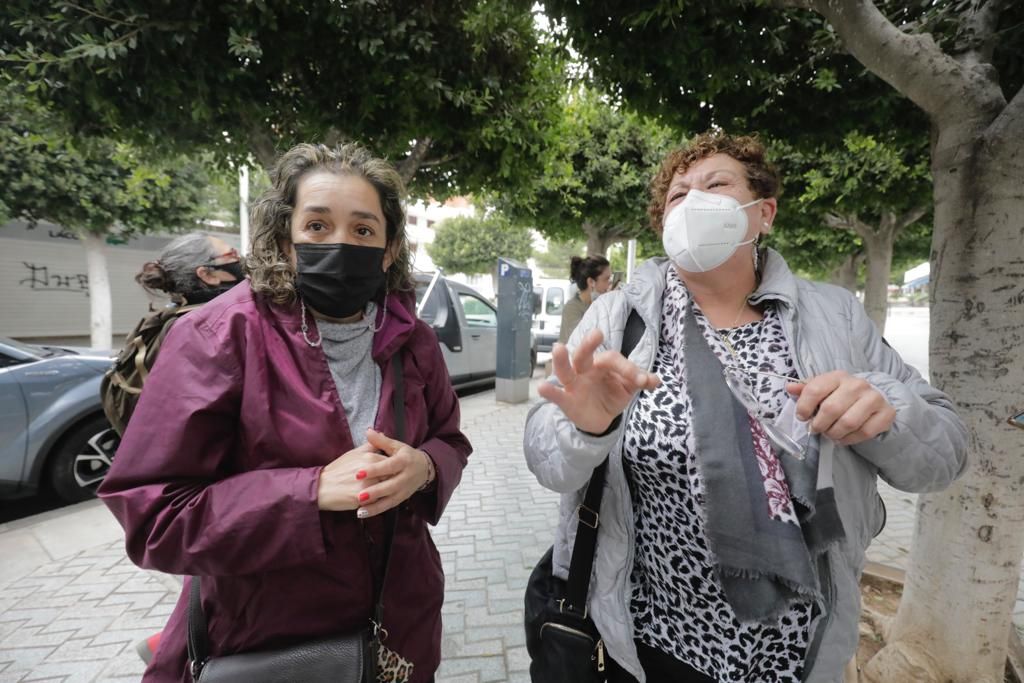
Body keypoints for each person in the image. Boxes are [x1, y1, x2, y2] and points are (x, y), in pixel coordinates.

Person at [523, 131, 967, 683]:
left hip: (801, 651)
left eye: (716, 184)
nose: (694, 203)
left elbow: (945, 455)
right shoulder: (618, 320)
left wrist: (889, 413)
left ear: (765, 213)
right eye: (678, 196)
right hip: (649, 646)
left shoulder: (835, 318)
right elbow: (546, 461)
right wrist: (585, 428)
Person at [99, 142, 472, 683]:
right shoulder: (218, 336)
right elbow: (154, 514)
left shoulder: (415, 341)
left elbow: (451, 441)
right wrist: (310, 491)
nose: (341, 243)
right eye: (318, 226)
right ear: (285, 239)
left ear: (389, 248)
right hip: (267, 642)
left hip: (400, 631)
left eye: (364, 230)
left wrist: (427, 467)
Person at [120, 232, 245, 664]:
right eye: (231, 255)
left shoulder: (178, 320)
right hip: (204, 493)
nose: (241, 258)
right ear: (206, 274)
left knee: (204, 592)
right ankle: (173, 656)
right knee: (213, 597)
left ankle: (171, 647)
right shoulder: (202, 329)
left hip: (202, 492)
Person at [135, 232, 245, 305]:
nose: (240, 257)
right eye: (233, 254)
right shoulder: (228, 322)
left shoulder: (186, 319)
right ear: (207, 275)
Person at [557, 255, 612, 345]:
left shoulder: (599, 304)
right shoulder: (572, 308)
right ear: (591, 282)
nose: (610, 283)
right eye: (606, 279)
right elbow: (584, 339)